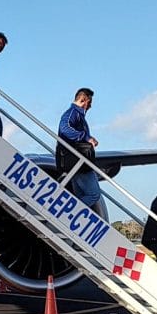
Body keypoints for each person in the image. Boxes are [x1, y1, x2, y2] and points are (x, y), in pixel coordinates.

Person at [55, 88, 105, 218]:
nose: (91, 106)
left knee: (81, 196)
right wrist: (86, 137)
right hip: (78, 161)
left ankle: (72, 215)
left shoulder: (77, 116)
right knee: (94, 194)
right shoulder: (73, 113)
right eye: (89, 102)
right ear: (83, 100)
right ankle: (69, 213)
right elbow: (64, 128)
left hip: (75, 162)